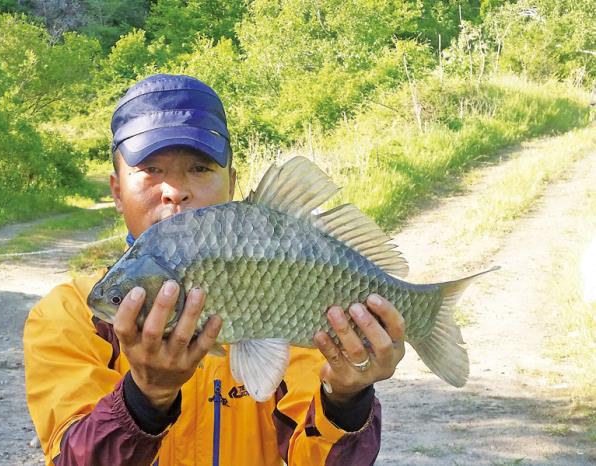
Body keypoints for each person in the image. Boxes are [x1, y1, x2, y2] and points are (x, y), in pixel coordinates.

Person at [23, 74, 406, 466]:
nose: (174, 190)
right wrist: (144, 399)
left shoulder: (283, 291)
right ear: (117, 191)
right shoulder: (69, 316)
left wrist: (346, 400)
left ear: (232, 184)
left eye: (200, 168)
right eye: (151, 169)